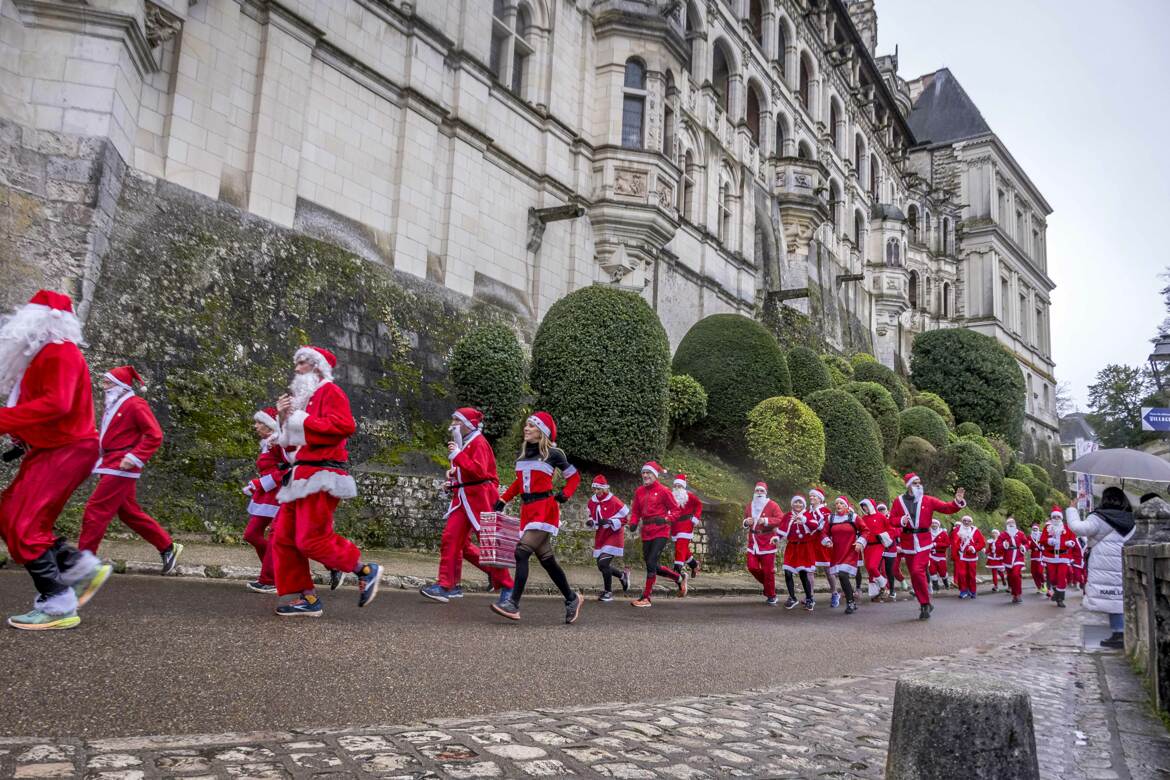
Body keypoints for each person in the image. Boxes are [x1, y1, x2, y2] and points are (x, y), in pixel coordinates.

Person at [0, 290, 112, 630]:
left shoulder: (60, 352)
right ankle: (78, 567)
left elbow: (58, 404)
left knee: (25, 523)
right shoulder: (48, 353)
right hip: (56, 448)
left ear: (39, 318)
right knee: (8, 512)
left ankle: (56, 602)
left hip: (68, 448)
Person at [272, 346, 382, 616]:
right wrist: (284, 417)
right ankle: (307, 599)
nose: (296, 370)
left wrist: (301, 419)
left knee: (311, 540)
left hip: (321, 475)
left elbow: (345, 426)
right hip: (302, 475)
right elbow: (291, 443)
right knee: (282, 538)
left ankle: (365, 570)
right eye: (296, 364)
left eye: (302, 364)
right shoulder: (307, 400)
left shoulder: (331, 391)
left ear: (317, 366)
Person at [78, 365, 182, 573]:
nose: (103, 387)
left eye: (108, 383)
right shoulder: (115, 405)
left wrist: (134, 457)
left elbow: (155, 435)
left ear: (120, 386)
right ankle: (167, 547)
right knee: (128, 513)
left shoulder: (135, 404)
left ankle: (83, 563)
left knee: (95, 510)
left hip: (121, 466)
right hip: (110, 463)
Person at [490, 411, 582, 622]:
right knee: (547, 561)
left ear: (542, 432)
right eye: (526, 424)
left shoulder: (554, 453)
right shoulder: (522, 456)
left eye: (531, 425)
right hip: (528, 510)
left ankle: (513, 603)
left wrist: (566, 494)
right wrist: (503, 500)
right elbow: (519, 483)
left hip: (545, 510)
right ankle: (571, 598)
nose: (526, 428)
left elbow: (574, 477)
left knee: (521, 553)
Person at [421, 407, 514, 606]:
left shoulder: (479, 443)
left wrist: (457, 456)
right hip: (465, 499)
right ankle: (445, 585)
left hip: (480, 499)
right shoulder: (468, 443)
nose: (453, 423)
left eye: (457, 420)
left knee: (488, 543)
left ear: (467, 423)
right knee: (450, 539)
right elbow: (469, 473)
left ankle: (508, 586)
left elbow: (479, 472)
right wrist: (453, 479)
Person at [890, 473, 966, 619]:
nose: (919, 485)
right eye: (915, 483)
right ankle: (924, 602)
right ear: (908, 486)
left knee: (918, 570)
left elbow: (946, 508)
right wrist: (901, 520)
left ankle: (925, 603)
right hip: (908, 542)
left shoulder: (928, 499)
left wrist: (957, 501)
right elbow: (892, 520)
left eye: (919, 482)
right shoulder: (898, 501)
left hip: (924, 541)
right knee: (914, 573)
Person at [1067, 488, 1135, 648]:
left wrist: (1071, 509)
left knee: (1112, 598)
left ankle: (1119, 633)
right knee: (1119, 597)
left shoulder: (1098, 518)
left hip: (1104, 563)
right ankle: (1120, 632)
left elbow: (1078, 528)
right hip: (1124, 561)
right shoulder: (1131, 520)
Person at [626, 461, 686, 607]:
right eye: (644, 473)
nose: (645, 475)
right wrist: (633, 523)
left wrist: (666, 518)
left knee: (651, 562)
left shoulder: (664, 490)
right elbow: (636, 511)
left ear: (655, 475)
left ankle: (646, 598)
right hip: (646, 531)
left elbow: (677, 510)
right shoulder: (639, 491)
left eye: (649, 473)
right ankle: (678, 578)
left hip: (661, 531)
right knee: (651, 564)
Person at [241, 406, 284, 593]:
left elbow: (284, 471)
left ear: (269, 425)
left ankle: (270, 579)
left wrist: (259, 484)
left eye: (259, 422)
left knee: (274, 537)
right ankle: (275, 574)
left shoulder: (278, 443)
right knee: (251, 534)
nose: (255, 426)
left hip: (277, 494)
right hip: (267, 493)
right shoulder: (268, 443)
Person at [585, 475, 630, 602]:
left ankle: (608, 592)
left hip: (614, 534)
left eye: (598, 489)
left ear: (604, 489)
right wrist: (590, 522)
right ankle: (622, 575)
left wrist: (610, 521)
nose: (596, 492)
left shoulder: (614, 500)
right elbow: (591, 515)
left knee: (603, 563)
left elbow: (625, 518)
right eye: (594, 489)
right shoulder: (592, 501)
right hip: (601, 534)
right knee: (601, 566)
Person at [743, 482, 783, 605]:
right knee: (752, 567)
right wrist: (746, 522)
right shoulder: (750, 505)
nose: (759, 493)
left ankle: (771, 595)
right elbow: (745, 519)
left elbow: (781, 519)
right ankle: (768, 585)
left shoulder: (773, 505)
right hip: (753, 541)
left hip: (767, 541)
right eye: (757, 491)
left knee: (768, 571)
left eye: (762, 491)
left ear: (765, 493)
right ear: (754, 492)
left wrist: (766, 520)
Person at [822, 496, 862, 614]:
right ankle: (852, 602)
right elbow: (824, 532)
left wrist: (860, 542)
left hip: (850, 551)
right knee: (841, 576)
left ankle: (850, 602)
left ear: (846, 506)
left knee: (843, 575)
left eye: (841, 503)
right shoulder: (831, 518)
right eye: (836, 503)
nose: (838, 505)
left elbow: (866, 530)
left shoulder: (853, 517)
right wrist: (827, 541)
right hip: (836, 552)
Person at [781, 495, 818, 610]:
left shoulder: (807, 514)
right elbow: (781, 529)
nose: (798, 505)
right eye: (796, 502)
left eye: (800, 503)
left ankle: (809, 599)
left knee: (803, 573)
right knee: (787, 572)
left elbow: (815, 526)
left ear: (804, 504)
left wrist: (804, 520)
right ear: (792, 504)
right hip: (791, 547)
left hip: (804, 548)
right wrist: (776, 538)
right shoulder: (787, 516)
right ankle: (792, 598)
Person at [1039, 506, 1078, 609]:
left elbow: (1073, 539)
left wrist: (1070, 542)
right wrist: (1048, 541)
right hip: (1050, 556)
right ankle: (1057, 594)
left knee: (1061, 576)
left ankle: (1060, 599)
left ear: (1061, 518)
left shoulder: (1067, 528)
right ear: (1052, 518)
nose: (1056, 519)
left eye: (1058, 517)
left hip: (1063, 556)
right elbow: (1042, 540)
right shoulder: (1047, 528)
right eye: (1054, 517)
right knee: (1052, 578)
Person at [808, 488, 840, 607]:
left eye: (814, 496)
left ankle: (835, 593)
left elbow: (826, 527)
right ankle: (810, 596)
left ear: (820, 499)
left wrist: (826, 539)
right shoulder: (808, 512)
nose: (811, 498)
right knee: (809, 570)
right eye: (810, 496)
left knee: (828, 570)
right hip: (811, 543)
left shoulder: (826, 511)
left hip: (823, 543)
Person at [669, 474, 703, 579]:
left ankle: (677, 571)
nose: (677, 488)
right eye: (676, 486)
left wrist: (695, 517)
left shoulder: (689, 496)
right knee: (683, 549)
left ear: (684, 487)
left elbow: (699, 505)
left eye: (680, 486)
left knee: (680, 547)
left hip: (686, 524)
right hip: (675, 525)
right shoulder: (671, 496)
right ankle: (694, 565)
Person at [857, 499, 889, 601]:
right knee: (869, 569)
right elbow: (861, 531)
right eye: (863, 507)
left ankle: (884, 586)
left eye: (865, 506)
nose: (864, 508)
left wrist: (885, 538)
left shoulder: (881, 517)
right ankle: (875, 593)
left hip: (878, 545)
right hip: (867, 546)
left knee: (872, 566)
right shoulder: (863, 518)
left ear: (870, 505)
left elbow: (891, 529)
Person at [995, 516, 1028, 604]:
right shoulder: (1003, 535)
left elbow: (1027, 543)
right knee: (1010, 576)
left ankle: (1018, 594)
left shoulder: (1020, 533)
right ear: (1006, 525)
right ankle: (1014, 594)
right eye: (1009, 523)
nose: (1011, 525)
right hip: (1008, 557)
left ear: (1015, 524)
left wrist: (1024, 547)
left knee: (1015, 574)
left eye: (1012, 523)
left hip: (1018, 556)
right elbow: (997, 546)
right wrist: (1003, 545)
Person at [952, 515, 985, 599]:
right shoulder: (957, 530)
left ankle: (972, 591)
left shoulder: (976, 531)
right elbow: (953, 543)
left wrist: (974, 548)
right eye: (964, 520)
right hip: (961, 556)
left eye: (968, 521)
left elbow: (982, 543)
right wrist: (954, 555)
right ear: (962, 521)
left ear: (971, 522)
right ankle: (963, 590)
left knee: (971, 575)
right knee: (961, 574)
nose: (966, 522)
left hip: (972, 557)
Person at [927, 518, 951, 592]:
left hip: (940, 556)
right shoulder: (928, 533)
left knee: (943, 573)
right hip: (931, 556)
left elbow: (947, 544)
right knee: (932, 571)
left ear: (938, 525)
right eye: (933, 523)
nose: (934, 525)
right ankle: (936, 587)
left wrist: (936, 544)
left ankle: (946, 582)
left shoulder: (943, 533)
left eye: (935, 523)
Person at [1027, 523, 1047, 595]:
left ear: (1038, 529)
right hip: (1033, 557)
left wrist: (1043, 548)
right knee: (1034, 573)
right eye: (1033, 529)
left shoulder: (1042, 535)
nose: (1035, 530)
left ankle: (1043, 582)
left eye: (1036, 529)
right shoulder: (1029, 537)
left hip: (1041, 556)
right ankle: (1038, 587)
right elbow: (1028, 545)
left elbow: (1046, 543)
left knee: (1039, 571)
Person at [985, 528, 1004, 592]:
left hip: (999, 558)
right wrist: (985, 551)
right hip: (992, 558)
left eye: (995, 533)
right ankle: (996, 586)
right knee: (994, 573)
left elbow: (1003, 549)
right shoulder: (990, 541)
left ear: (998, 534)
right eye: (993, 533)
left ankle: (1003, 579)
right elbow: (989, 549)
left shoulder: (1001, 541)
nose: (994, 534)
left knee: (1000, 572)